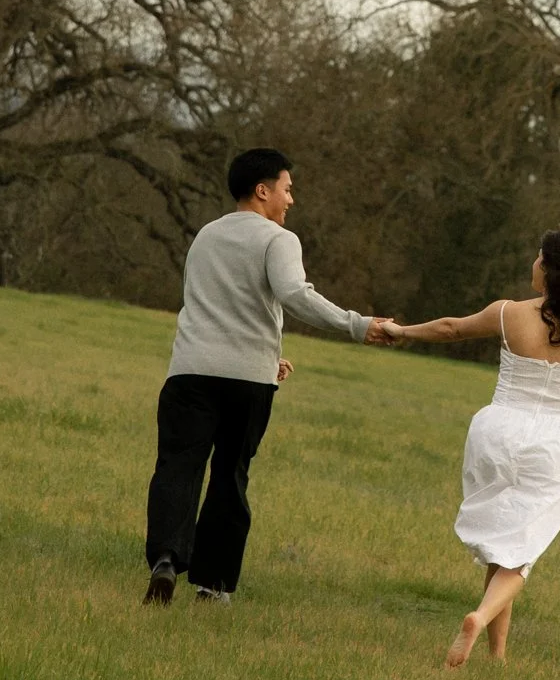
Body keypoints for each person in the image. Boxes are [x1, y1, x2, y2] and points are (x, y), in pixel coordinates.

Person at [144, 147, 390, 606]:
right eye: (287, 189)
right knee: (229, 476)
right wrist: (357, 325)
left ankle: (165, 559)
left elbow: (211, 305)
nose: (291, 200)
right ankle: (212, 585)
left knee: (177, 468)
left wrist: (268, 355)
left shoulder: (205, 236)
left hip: (188, 374)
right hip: (247, 383)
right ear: (263, 190)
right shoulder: (279, 239)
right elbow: (294, 295)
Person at [385, 230, 560, 667]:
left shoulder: (509, 313)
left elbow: (450, 328)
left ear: (553, 271)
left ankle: (497, 656)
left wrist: (400, 330)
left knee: (504, 543)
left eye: (539, 258)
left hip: (496, 433)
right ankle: (478, 619)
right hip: (556, 444)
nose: (534, 264)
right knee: (521, 551)